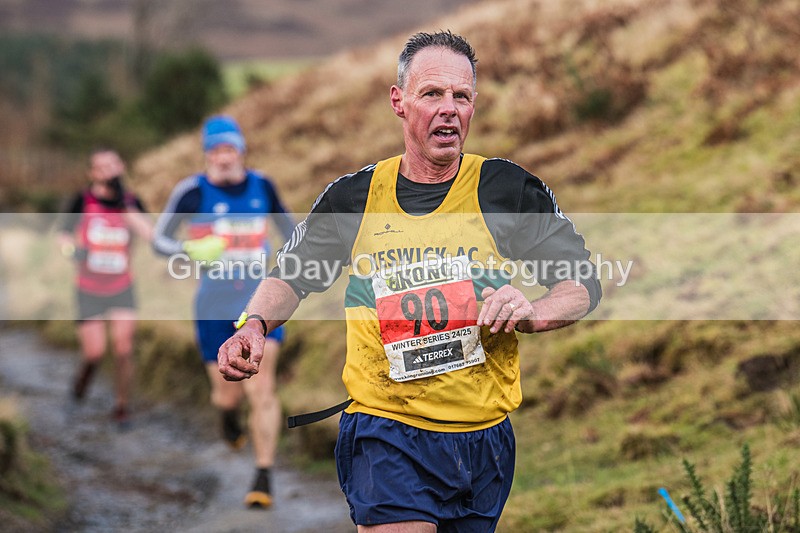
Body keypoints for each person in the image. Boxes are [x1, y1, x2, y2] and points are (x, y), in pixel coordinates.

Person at [218, 31, 602, 531]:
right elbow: (291, 275)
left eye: (461, 96)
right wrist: (254, 326)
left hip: (483, 438)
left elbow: (582, 283)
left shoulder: (505, 189)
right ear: (399, 102)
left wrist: (533, 312)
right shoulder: (355, 197)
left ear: (474, 104)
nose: (449, 109)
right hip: (387, 429)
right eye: (432, 94)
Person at [152, 115, 295, 509]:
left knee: (261, 388)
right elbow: (160, 239)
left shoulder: (262, 186)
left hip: (259, 305)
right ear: (206, 155)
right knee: (226, 396)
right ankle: (228, 420)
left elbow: (293, 233)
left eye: (230, 149)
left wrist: (290, 273)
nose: (223, 157)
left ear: (242, 151)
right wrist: (186, 251)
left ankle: (263, 475)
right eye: (215, 150)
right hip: (212, 307)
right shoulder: (191, 192)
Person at [58, 147, 153, 429]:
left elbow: (150, 235)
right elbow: (63, 234)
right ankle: (80, 385)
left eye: (113, 164)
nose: (109, 170)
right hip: (88, 288)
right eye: (102, 166)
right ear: (92, 173)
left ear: (121, 166)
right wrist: (72, 251)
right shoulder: (82, 200)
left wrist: (128, 209)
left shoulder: (132, 201)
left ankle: (121, 408)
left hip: (122, 286)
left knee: (123, 349)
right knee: (94, 353)